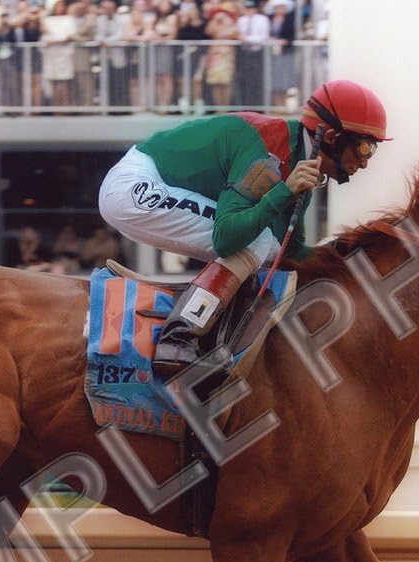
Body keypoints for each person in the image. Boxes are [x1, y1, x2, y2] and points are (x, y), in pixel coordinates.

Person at [98, 79, 389, 374]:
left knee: (269, 246)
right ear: (333, 138)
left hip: (144, 181)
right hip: (133, 187)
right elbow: (226, 238)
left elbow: (289, 253)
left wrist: (349, 259)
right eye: (364, 147)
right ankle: (179, 335)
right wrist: (284, 192)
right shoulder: (269, 156)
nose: (365, 162)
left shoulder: (299, 160)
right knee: (256, 241)